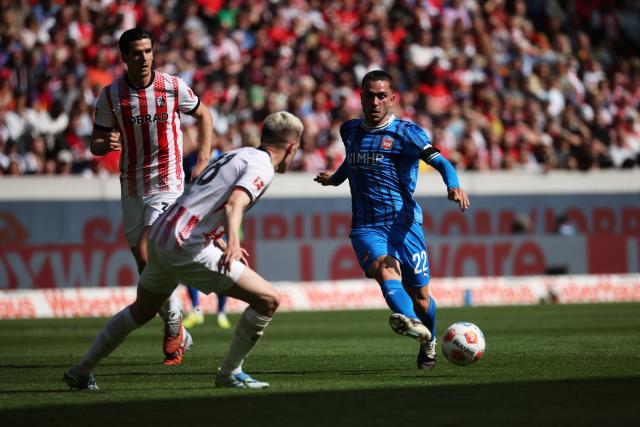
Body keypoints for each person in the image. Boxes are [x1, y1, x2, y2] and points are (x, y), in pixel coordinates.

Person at [63, 111, 304, 390]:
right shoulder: (262, 166)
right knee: (268, 300)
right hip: (186, 244)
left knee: (141, 311)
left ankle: (81, 371)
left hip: (162, 235)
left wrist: (220, 240)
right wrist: (234, 244)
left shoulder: (239, 154)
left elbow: (206, 199)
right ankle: (230, 372)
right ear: (292, 147)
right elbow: (233, 204)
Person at [314, 70, 470, 369]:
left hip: (405, 225)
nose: (375, 101)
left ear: (392, 98)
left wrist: (453, 185)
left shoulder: (407, 133)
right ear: (360, 97)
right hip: (366, 226)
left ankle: (429, 338)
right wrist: (335, 180)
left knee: (422, 298)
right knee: (386, 271)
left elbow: (441, 161)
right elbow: (353, 160)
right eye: (369, 95)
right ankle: (412, 325)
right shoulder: (349, 130)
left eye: (381, 95)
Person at [88, 28, 213, 365]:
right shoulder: (111, 95)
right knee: (146, 268)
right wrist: (106, 145)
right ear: (124, 57)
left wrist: (202, 161)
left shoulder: (171, 86)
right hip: (131, 187)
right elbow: (95, 142)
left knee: (149, 253)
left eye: (147, 51)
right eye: (136, 53)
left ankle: (174, 327)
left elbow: (204, 115)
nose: (143, 58)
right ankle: (178, 328)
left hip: (168, 182)